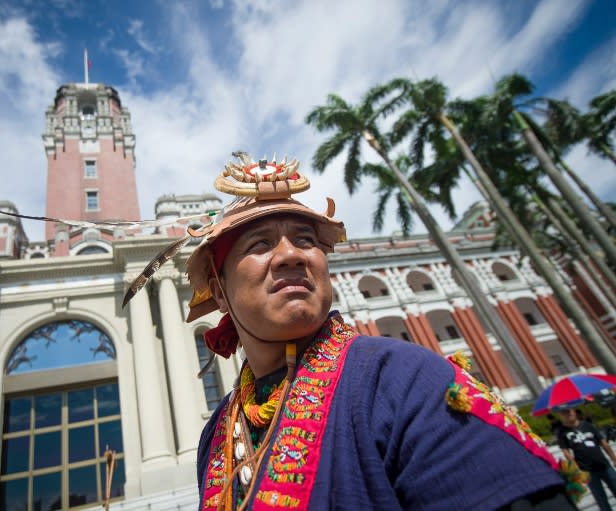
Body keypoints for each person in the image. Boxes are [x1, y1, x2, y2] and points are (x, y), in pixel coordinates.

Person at [132, 153, 579, 510]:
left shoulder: (403, 378)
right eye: (260, 243)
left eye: (306, 239)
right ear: (221, 292)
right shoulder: (218, 434)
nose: (292, 255)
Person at [557, 406, 616, 510]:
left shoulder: (587, 425)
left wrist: (613, 458)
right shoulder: (562, 432)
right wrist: (575, 469)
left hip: (603, 464)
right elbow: (566, 451)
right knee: (601, 498)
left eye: (569, 411)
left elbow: (603, 443)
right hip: (587, 470)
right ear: (561, 415)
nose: (568, 414)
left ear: (574, 411)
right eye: (564, 413)